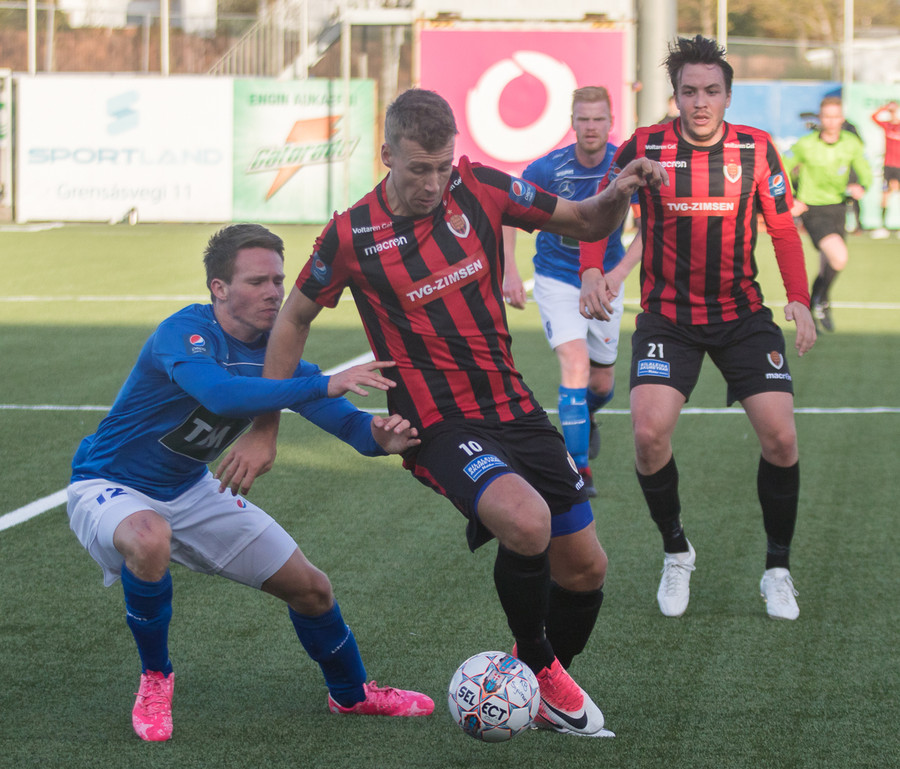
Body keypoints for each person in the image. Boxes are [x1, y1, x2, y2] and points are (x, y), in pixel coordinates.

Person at [220, 89, 668, 738]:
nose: (432, 184)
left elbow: (586, 221)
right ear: (387, 156)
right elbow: (292, 319)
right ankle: (540, 666)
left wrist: (620, 189)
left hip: (513, 406)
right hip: (436, 425)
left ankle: (532, 685)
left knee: (585, 569)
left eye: (441, 167)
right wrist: (266, 429)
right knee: (527, 520)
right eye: (417, 169)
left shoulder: (479, 186)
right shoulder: (350, 235)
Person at [66, 223, 434, 743]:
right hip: (110, 483)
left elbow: (352, 428)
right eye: (257, 281)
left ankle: (352, 694)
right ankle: (156, 679)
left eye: (278, 281)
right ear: (219, 288)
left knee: (311, 588)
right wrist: (324, 382)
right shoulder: (184, 333)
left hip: (191, 489)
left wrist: (383, 438)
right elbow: (220, 394)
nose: (274, 293)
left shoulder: (278, 357)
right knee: (148, 537)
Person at [580, 35, 817, 621]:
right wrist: (591, 269)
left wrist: (799, 298)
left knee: (781, 438)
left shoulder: (757, 149)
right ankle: (676, 550)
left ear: (729, 96)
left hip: (742, 316)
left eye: (712, 91)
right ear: (676, 96)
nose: (701, 101)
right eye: (690, 91)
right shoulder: (645, 146)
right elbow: (603, 208)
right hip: (669, 318)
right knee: (647, 434)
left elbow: (782, 229)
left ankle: (777, 569)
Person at [502, 86, 641, 496]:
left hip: (605, 282)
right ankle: (579, 469)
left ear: (611, 122)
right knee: (576, 364)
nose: (591, 126)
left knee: (601, 385)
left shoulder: (624, 166)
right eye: (584, 119)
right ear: (572, 123)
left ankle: (587, 416)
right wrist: (510, 270)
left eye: (599, 119)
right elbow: (508, 212)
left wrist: (617, 274)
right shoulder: (547, 169)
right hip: (557, 280)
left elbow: (652, 228)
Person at [783, 95, 872, 332]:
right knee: (839, 257)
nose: (831, 121)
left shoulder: (851, 143)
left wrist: (862, 186)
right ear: (820, 118)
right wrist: (791, 198)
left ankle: (817, 302)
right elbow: (781, 167)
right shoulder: (806, 144)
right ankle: (819, 298)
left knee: (828, 264)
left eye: (835, 117)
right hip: (813, 209)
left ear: (842, 118)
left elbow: (865, 171)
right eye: (827, 117)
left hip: (838, 207)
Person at [870, 100, 900, 239]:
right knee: (885, 196)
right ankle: (882, 226)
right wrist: (885, 108)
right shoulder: (887, 125)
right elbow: (873, 117)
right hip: (888, 166)